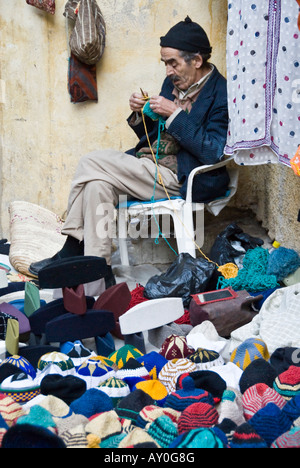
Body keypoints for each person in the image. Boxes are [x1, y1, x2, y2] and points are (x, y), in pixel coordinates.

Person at [29, 16, 229, 281]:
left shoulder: (222, 92)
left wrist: (176, 115)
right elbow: (156, 134)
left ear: (197, 61)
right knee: (96, 186)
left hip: (181, 175)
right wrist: (142, 113)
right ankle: (97, 275)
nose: (168, 71)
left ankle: (71, 247)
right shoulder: (173, 83)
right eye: (165, 63)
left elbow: (213, 150)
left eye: (173, 63)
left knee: (91, 162)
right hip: (148, 166)